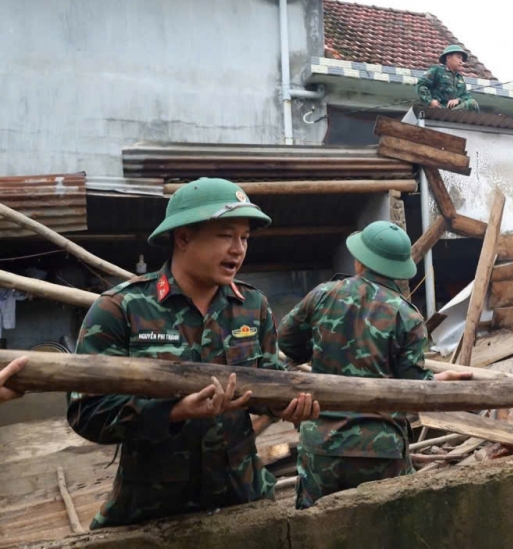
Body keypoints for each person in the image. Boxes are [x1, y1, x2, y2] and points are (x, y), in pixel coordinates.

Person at [68, 178, 319, 529]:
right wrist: (174, 411)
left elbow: (267, 382)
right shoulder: (121, 309)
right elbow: (87, 412)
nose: (238, 249)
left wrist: (286, 404)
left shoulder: (253, 307)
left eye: (244, 237)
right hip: (153, 514)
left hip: (243, 503)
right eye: (225, 235)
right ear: (183, 237)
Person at [278, 221, 471, 509]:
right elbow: (414, 390)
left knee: (316, 531)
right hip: (382, 449)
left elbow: (287, 342)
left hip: (323, 446)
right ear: (398, 268)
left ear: (360, 261)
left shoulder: (322, 295)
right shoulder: (408, 316)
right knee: (389, 531)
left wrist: (320, 350)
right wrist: (439, 380)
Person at [415, 44, 480, 112]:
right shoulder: (437, 70)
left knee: (472, 103)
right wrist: (430, 101)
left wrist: (458, 100)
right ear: (448, 57)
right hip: (439, 109)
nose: (461, 61)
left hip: (454, 111)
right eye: (458, 57)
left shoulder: (459, 78)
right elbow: (421, 85)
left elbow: (467, 96)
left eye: (462, 59)